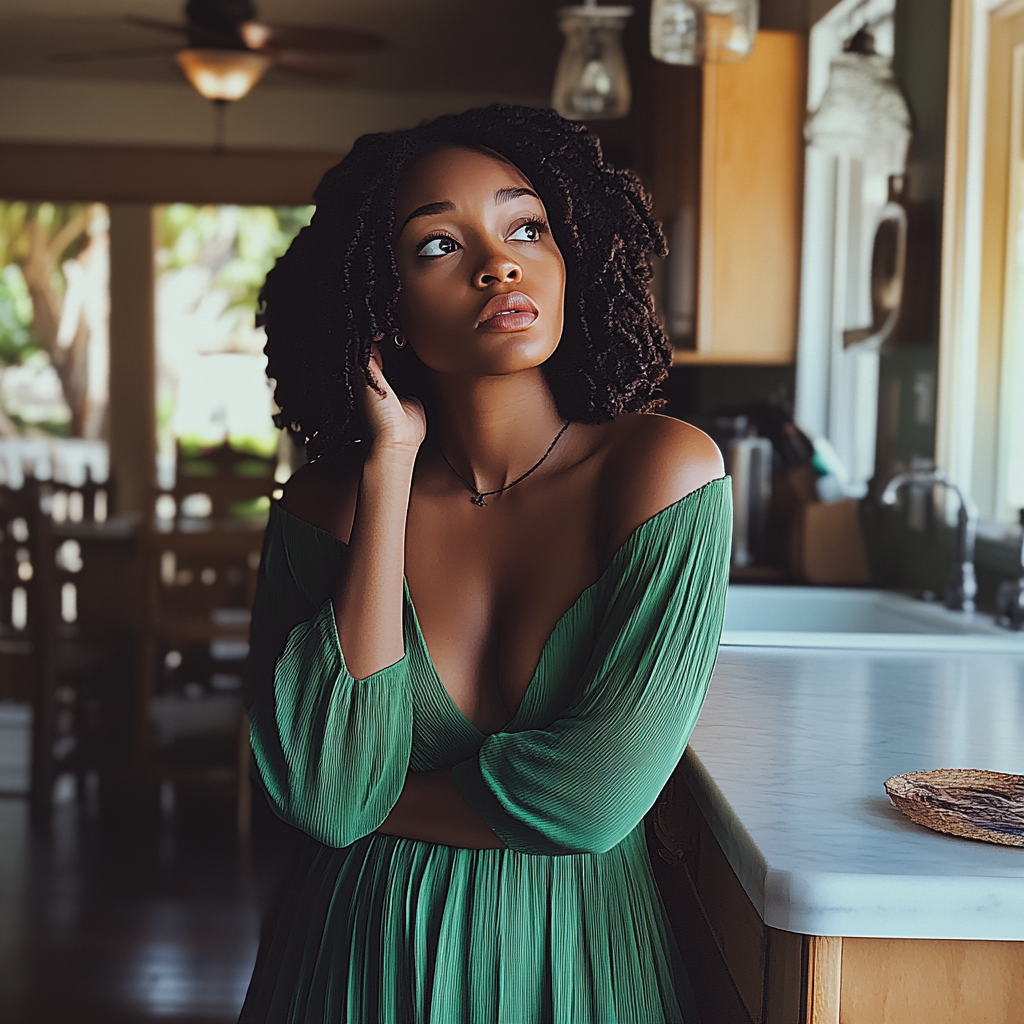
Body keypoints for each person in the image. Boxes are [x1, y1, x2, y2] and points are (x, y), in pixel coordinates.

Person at [240, 104, 731, 1024]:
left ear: (567, 251)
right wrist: (388, 464)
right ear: (378, 302)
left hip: (574, 959)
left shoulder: (662, 474)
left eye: (526, 226)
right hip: (356, 962)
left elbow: (594, 801)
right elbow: (325, 786)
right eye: (436, 245)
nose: (497, 263)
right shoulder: (322, 510)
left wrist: (370, 807)